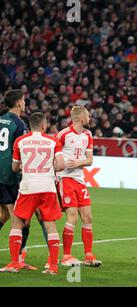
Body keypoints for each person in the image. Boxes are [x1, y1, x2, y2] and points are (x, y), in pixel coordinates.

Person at [0, 112, 65, 274]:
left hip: (28, 187)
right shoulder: (53, 141)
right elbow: (61, 165)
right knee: (50, 224)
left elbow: (14, 167)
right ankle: (53, 266)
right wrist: (50, 168)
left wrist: (24, 166)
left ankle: (15, 263)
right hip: (47, 188)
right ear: (44, 126)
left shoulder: (20, 141)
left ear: (29, 126)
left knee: (17, 223)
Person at [0, 89, 48, 270]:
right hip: (9, 177)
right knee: (19, 219)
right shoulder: (20, 126)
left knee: (3, 215)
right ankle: (17, 260)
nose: (25, 103)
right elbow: (24, 154)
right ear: (19, 103)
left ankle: (19, 257)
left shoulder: (0, 120)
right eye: (24, 101)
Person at [56, 106, 102, 267]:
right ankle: (66, 256)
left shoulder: (88, 135)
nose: (90, 119)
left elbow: (90, 160)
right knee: (73, 217)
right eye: (88, 116)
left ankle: (88, 255)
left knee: (88, 217)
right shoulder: (63, 134)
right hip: (65, 179)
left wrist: (78, 163)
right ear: (81, 118)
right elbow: (53, 153)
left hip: (80, 180)